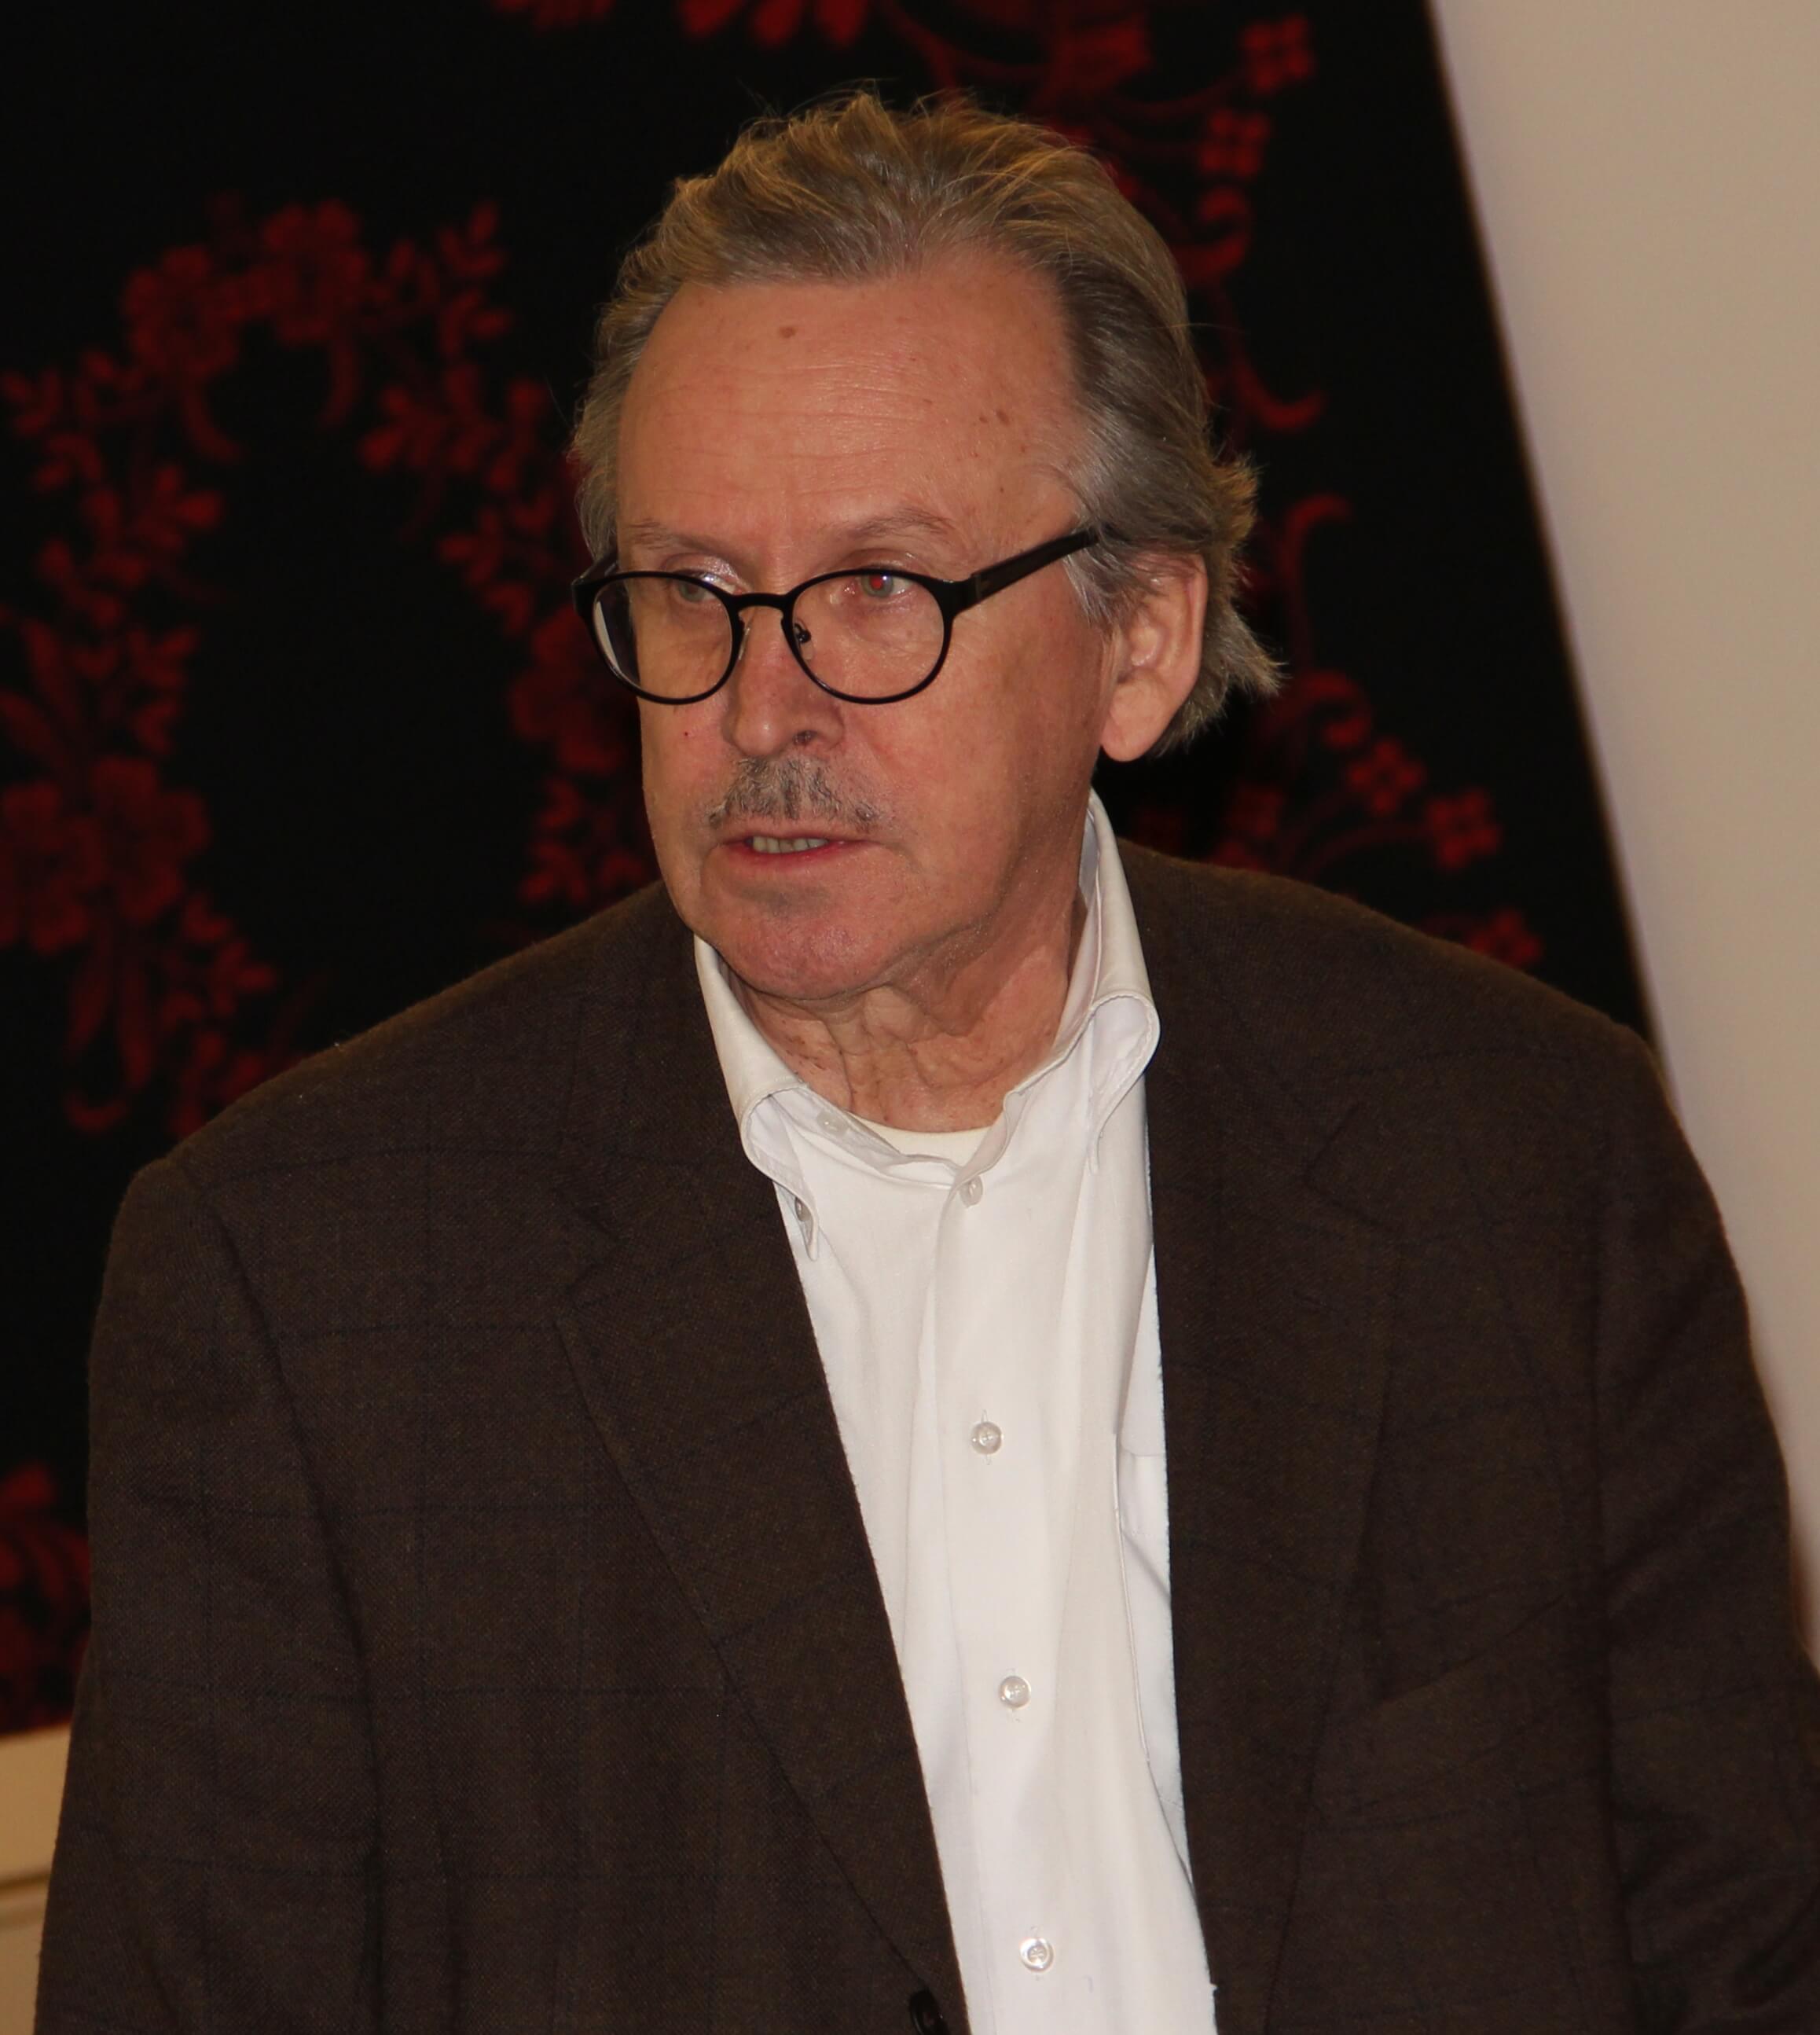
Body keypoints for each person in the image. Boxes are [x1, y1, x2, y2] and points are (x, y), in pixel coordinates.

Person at [36, 92, 1820, 2035]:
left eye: (878, 588)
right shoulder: (309, 1285)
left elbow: (1749, 1958)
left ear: (1141, 640)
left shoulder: (1521, 1162)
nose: (762, 705)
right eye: (690, 591)